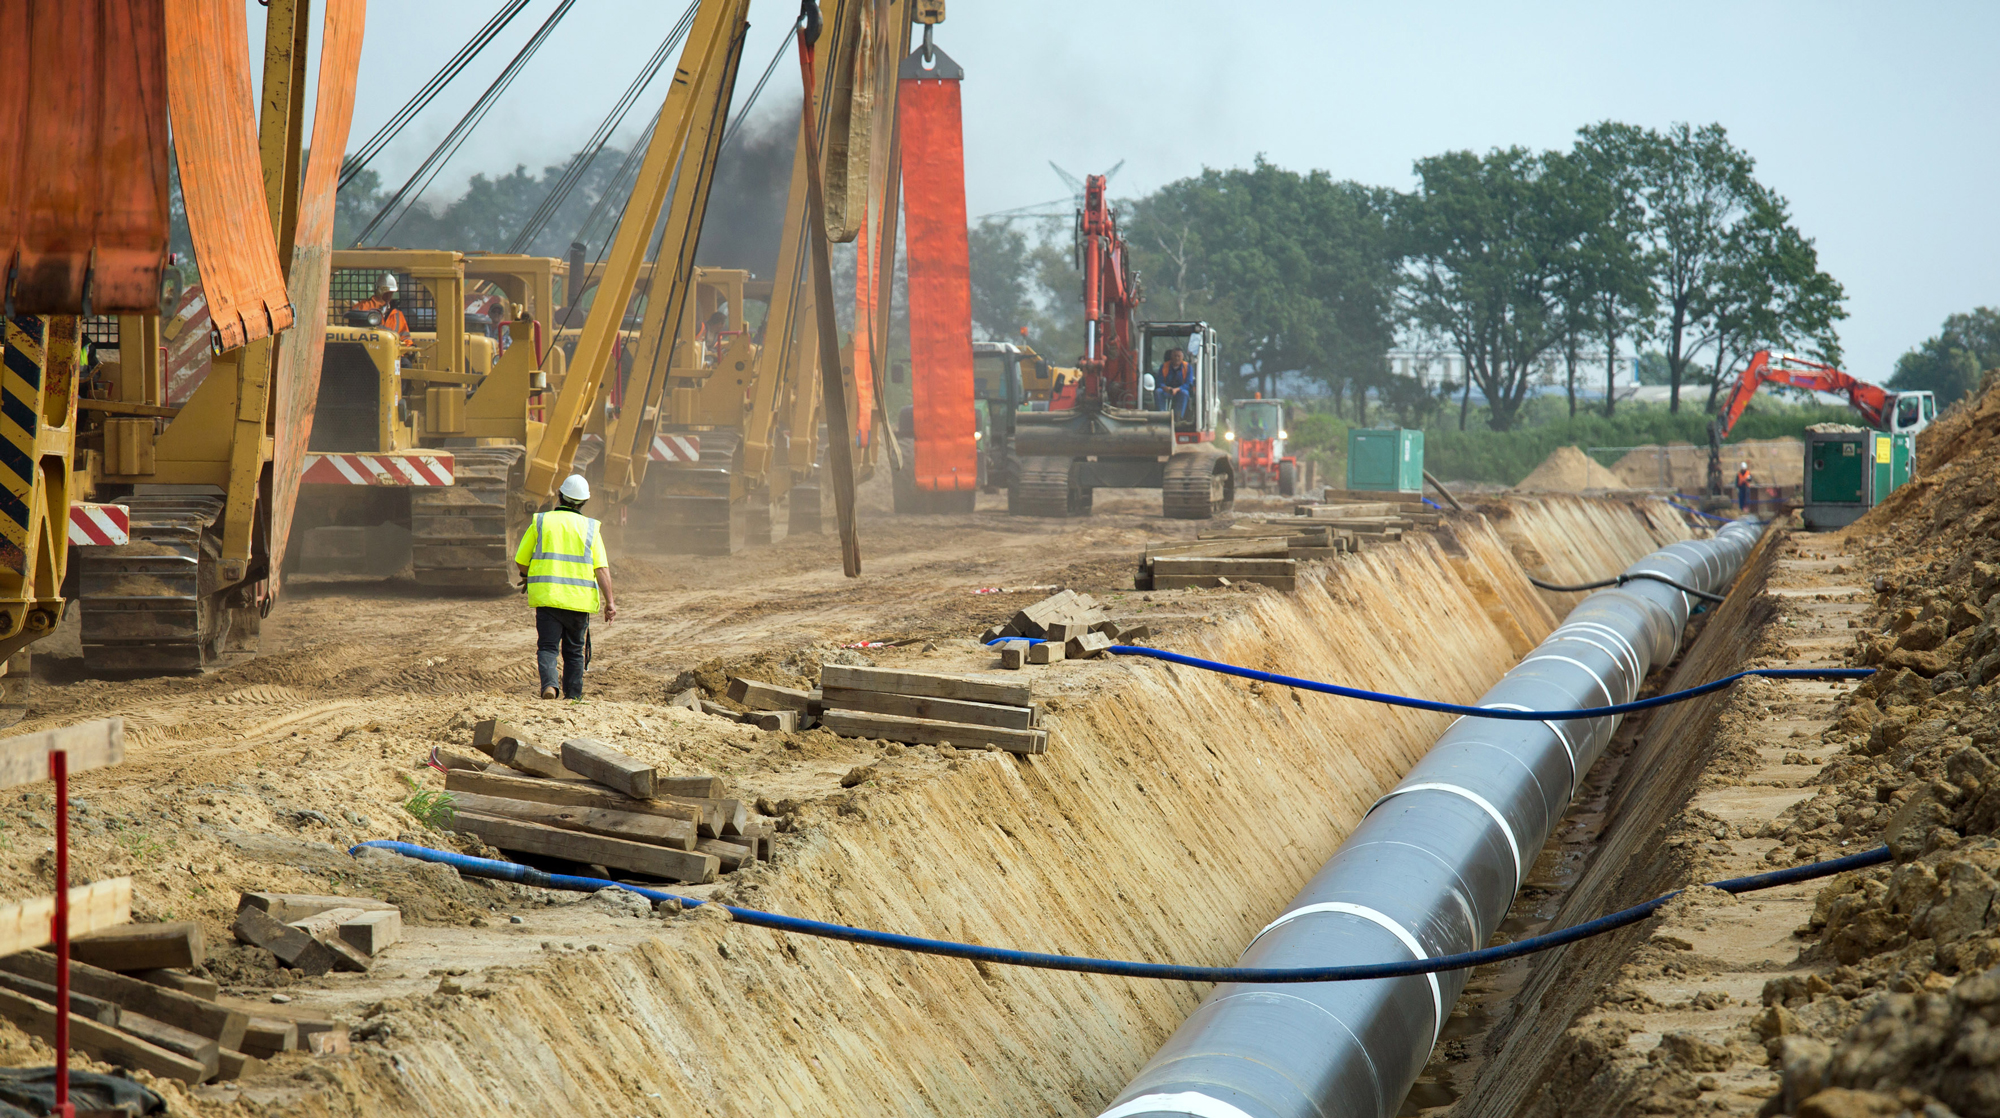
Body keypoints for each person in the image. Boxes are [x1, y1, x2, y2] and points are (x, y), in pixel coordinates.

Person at [514, 475, 617, 700]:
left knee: (548, 647)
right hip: (578, 603)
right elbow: (602, 569)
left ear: (560, 496)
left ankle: (550, 686)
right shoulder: (591, 528)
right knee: (574, 653)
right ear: (583, 502)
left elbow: (521, 560)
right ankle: (573, 696)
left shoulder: (541, 522)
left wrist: (526, 575)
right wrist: (610, 602)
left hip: (548, 599)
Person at [352, 274, 412, 346]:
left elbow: (405, 338)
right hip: (369, 351)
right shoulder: (363, 307)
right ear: (379, 291)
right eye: (387, 293)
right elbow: (353, 334)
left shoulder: (397, 314)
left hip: (392, 353)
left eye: (391, 293)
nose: (389, 296)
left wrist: (409, 348)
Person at [1158, 347, 1193, 421]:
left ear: (1182, 357)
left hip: (1180, 391)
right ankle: (1162, 415)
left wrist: (1177, 389)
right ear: (1171, 357)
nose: (1177, 358)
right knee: (1158, 391)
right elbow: (1159, 382)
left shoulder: (1188, 367)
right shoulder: (1164, 367)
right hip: (1167, 391)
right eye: (1175, 356)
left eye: (1179, 356)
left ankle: (1178, 417)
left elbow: (1189, 384)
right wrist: (1166, 388)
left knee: (1185, 393)